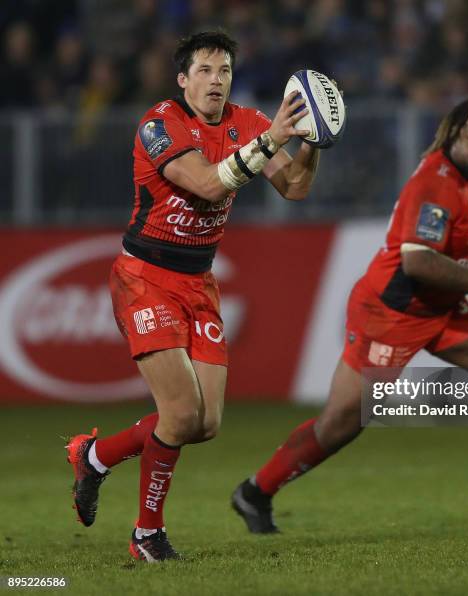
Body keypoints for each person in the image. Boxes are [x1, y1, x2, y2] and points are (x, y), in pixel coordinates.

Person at [231, 96, 468, 534]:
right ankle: (256, 491)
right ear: (452, 136)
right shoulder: (434, 184)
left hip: (446, 304)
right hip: (392, 313)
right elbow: (418, 262)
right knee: (341, 424)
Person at [66, 30, 321, 562]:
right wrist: (273, 138)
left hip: (199, 283)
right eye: (204, 70)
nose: (216, 80)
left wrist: (314, 139)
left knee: (204, 424)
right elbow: (207, 184)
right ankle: (146, 536)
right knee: (179, 414)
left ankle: (95, 457)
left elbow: (295, 187)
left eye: (224, 70)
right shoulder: (160, 125)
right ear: (183, 80)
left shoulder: (247, 123)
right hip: (145, 277)